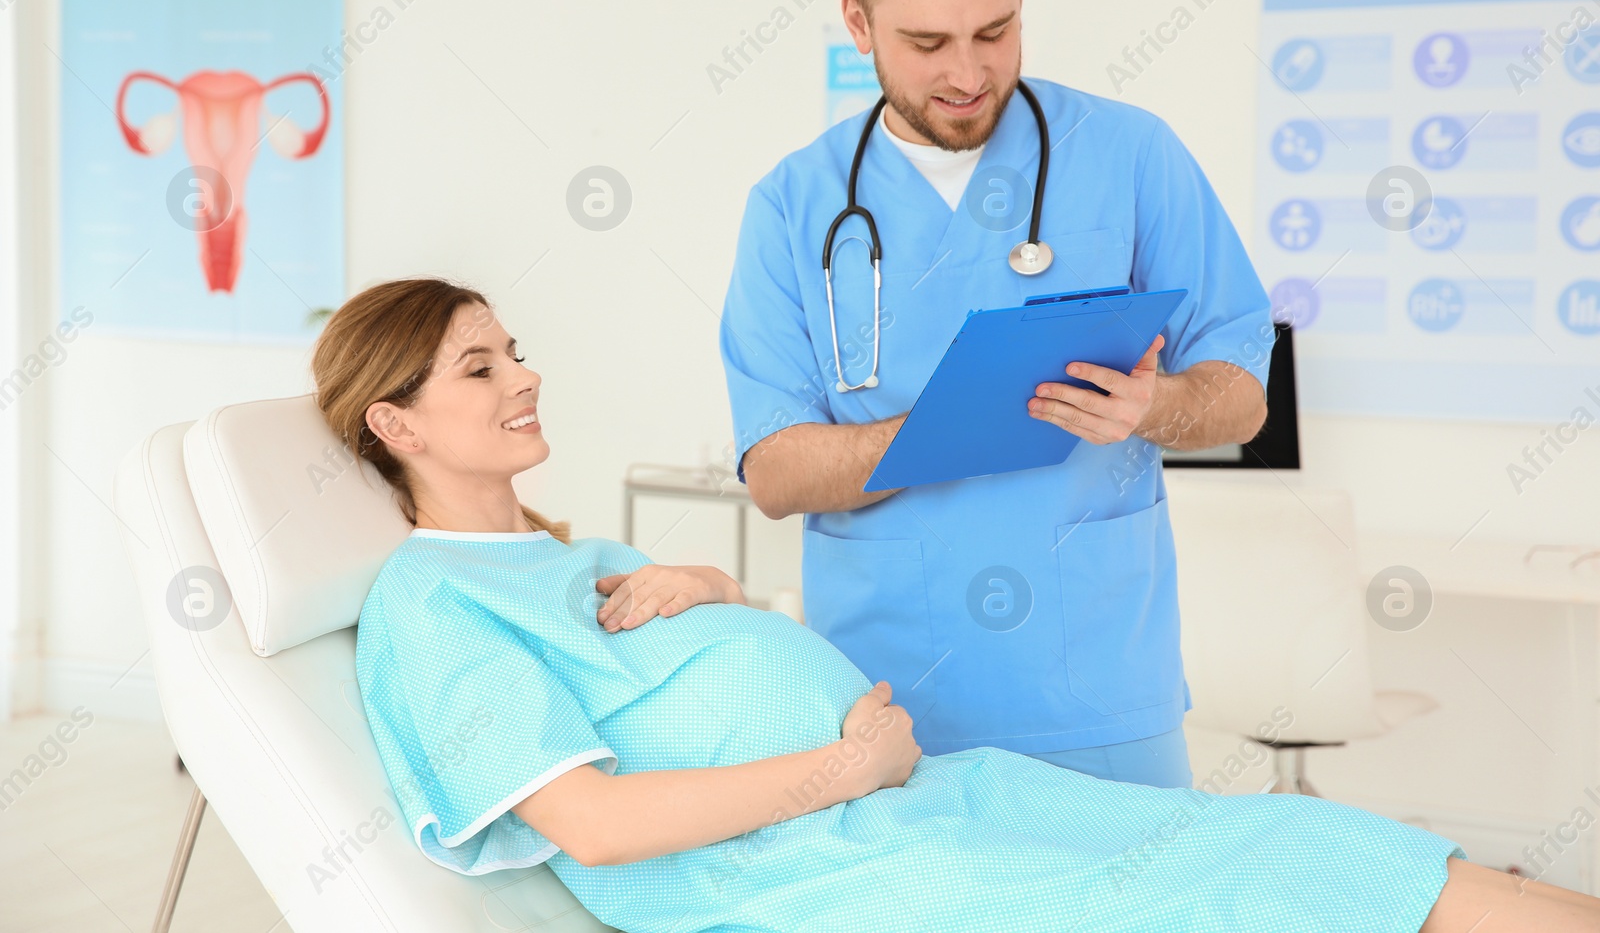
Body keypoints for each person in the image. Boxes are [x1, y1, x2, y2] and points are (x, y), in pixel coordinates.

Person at [323, 277, 1600, 933]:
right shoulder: (432, 608)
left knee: (1322, 850)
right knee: (1244, 890)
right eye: (480, 365)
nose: (526, 373)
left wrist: (715, 590)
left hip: (930, 801)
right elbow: (590, 826)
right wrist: (841, 769)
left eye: (515, 347)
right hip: (831, 872)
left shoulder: (556, 555)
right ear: (396, 421)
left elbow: (671, 667)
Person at [719, 0, 1273, 790]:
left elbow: (1241, 391)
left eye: (994, 31)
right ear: (857, 23)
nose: (969, 74)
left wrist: (1154, 404)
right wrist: (948, 427)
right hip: (887, 707)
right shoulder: (792, 206)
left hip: (1097, 687)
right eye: (927, 42)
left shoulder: (1132, 156)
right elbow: (775, 472)